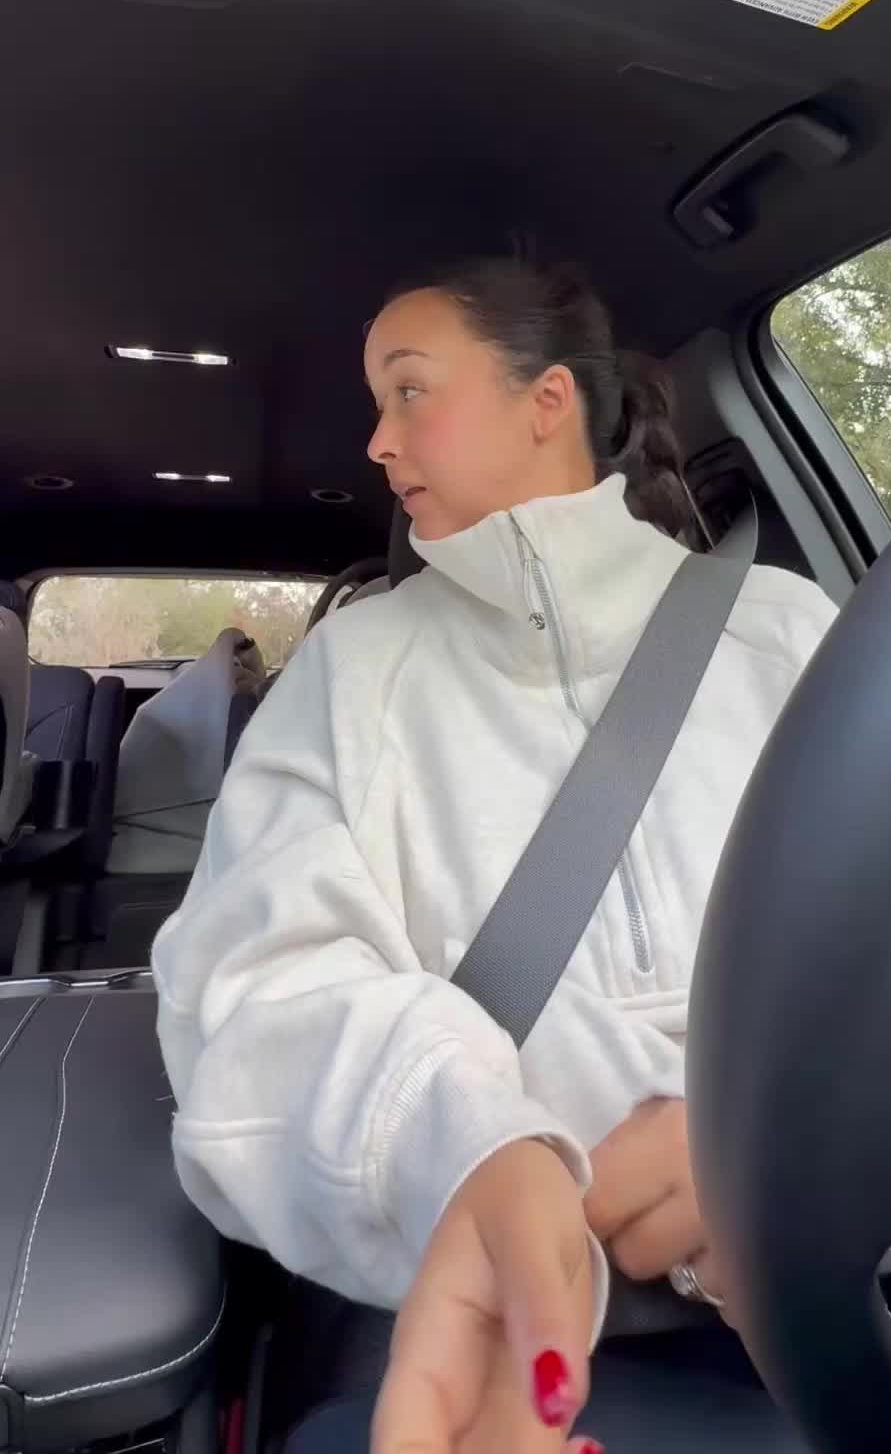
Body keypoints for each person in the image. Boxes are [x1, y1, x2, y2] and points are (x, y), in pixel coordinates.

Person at [152, 257, 840, 1454]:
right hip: (502, 1323)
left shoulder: (786, 631)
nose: (377, 441)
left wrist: (797, 1131)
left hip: (858, 1275)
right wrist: (466, 1149)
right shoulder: (350, 673)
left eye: (409, 390)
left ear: (548, 401)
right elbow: (257, 990)